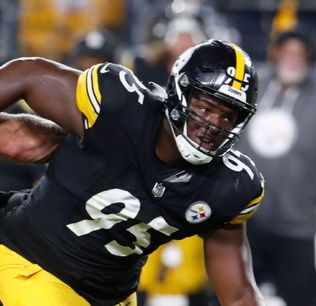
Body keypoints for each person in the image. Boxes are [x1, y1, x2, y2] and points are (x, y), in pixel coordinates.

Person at [0, 39, 265, 306]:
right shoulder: (119, 107)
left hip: (112, 295)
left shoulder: (229, 185)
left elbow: (239, 295)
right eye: (206, 108)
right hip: (30, 262)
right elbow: (29, 73)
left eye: (228, 117)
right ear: (179, 92)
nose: (213, 125)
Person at [236, 30, 316, 306]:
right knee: (232, 298)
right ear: (274, 53)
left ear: (310, 59)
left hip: (297, 228)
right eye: (287, 52)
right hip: (242, 222)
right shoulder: (248, 92)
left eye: (300, 54)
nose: (293, 60)